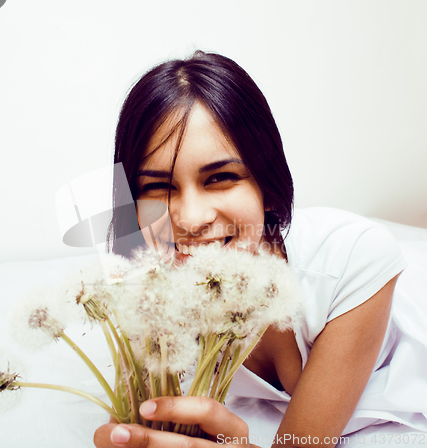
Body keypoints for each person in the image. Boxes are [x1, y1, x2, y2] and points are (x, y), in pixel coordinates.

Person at [95, 51, 427, 447]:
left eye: (220, 177)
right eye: (156, 187)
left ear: (267, 185)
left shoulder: (354, 258)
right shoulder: (149, 292)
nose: (190, 218)